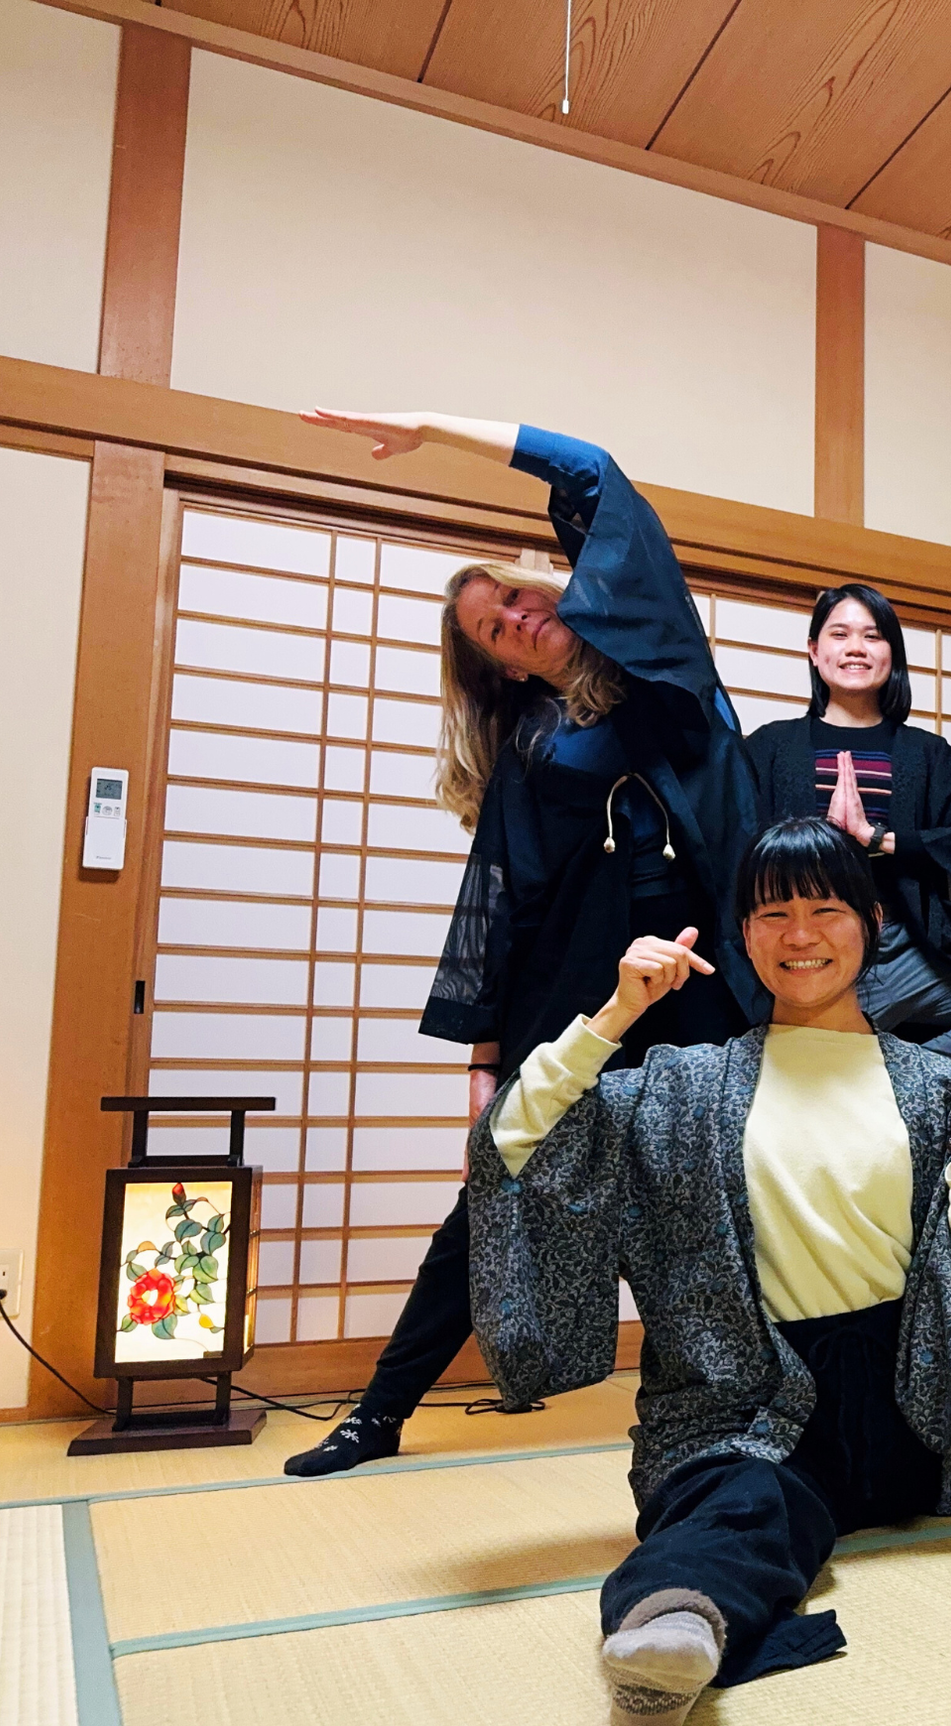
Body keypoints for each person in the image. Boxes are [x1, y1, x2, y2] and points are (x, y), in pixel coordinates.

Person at [469, 818, 951, 1726]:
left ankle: (710, 1601)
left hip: (904, 1403)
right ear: (742, 936)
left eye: (826, 907)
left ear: (870, 923)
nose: (799, 933)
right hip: (747, 1395)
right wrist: (613, 1014)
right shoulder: (687, 1083)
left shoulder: (936, 1084)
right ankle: (672, 1631)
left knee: (792, 1493)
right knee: (744, 1501)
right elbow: (513, 1145)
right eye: (772, 912)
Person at [283, 409, 764, 1477]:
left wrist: (432, 429)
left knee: (725, 1199)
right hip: (582, 994)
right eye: (497, 629)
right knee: (495, 1189)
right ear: (500, 668)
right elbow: (502, 902)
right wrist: (488, 1057)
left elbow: (596, 473)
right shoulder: (532, 745)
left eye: (513, 593)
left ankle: (749, 1413)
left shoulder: (658, 652)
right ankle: (379, 1409)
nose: (518, 616)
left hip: (703, 976)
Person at [748, 581, 951, 1066]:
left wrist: (879, 839)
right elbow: (732, 847)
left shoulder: (926, 754)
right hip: (804, 946)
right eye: (840, 634)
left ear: (891, 653)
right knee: (808, 1075)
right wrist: (818, 845)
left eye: (873, 636)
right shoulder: (770, 748)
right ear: (815, 652)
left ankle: (907, 1075)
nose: (857, 648)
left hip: (901, 953)